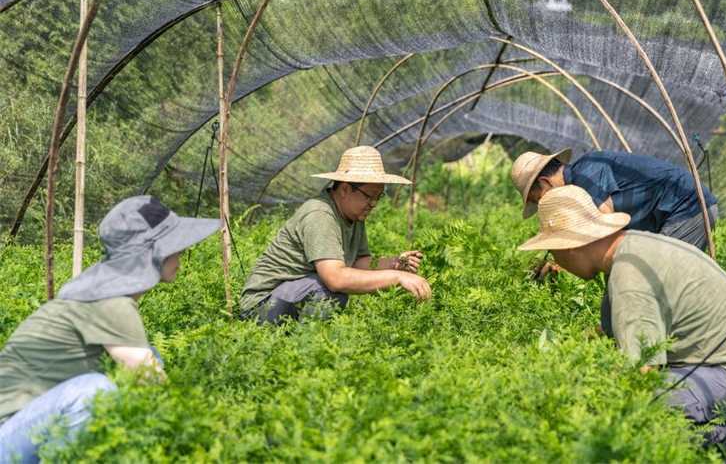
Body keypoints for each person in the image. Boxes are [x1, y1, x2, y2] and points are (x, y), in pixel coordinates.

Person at [518, 185, 726, 449]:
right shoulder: (635, 246)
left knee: (641, 408)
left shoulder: (629, 278)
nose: (557, 262)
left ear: (571, 247)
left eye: (554, 251)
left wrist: (582, 395)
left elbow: (639, 376)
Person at [0, 196, 220, 464]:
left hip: (29, 424)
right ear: (153, 252)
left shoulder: (107, 295)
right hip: (8, 438)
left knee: (147, 356)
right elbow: (155, 390)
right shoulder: (110, 302)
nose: (182, 253)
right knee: (95, 392)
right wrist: (209, 446)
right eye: (176, 245)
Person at [241, 146, 432, 326]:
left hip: (290, 295)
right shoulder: (320, 214)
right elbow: (336, 278)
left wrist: (394, 263)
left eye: (378, 197)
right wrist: (396, 277)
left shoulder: (354, 215)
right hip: (261, 307)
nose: (374, 204)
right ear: (344, 190)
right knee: (331, 291)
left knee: (330, 289)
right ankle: (303, 348)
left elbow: (357, 262)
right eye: (369, 196)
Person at [510, 149, 718, 251]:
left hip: (687, 207)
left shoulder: (586, 171)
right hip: (674, 213)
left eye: (541, 199)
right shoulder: (581, 181)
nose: (546, 204)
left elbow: (606, 228)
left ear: (546, 182)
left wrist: (568, 258)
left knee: (660, 276)